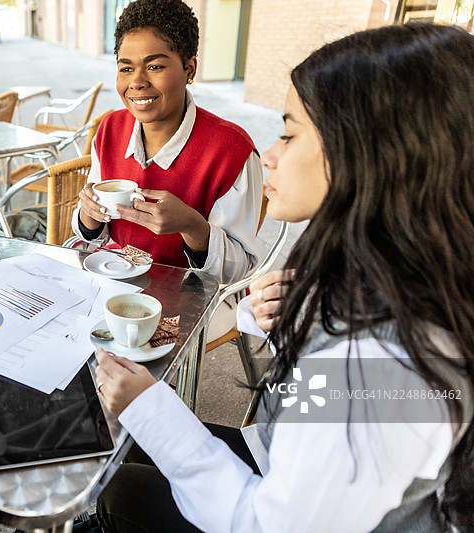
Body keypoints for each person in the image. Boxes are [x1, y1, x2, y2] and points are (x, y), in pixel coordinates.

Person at [93, 23, 474, 532]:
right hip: (285, 454)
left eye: (290, 133)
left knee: (124, 486)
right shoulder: (396, 276)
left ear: (367, 157)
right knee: (135, 450)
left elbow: (266, 523)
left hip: (273, 505)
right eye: (125, 65)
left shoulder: (373, 373)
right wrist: (281, 319)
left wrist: (148, 406)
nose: (271, 154)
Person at [72, 0, 263, 286]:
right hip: (119, 280)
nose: (136, 82)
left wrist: (192, 226)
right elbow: (93, 234)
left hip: (194, 295)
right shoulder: (110, 129)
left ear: (189, 69)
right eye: (125, 69)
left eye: (155, 66)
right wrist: (89, 214)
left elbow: (240, 270)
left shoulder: (231, 151)